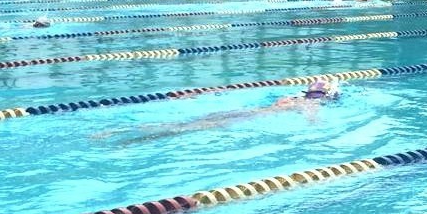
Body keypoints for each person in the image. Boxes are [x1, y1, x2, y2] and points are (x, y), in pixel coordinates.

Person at [102, 80, 342, 145]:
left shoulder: (292, 97)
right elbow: (313, 123)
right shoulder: (310, 105)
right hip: (254, 116)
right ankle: (133, 139)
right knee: (190, 128)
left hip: (246, 110)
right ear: (325, 96)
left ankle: (123, 130)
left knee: (191, 122)